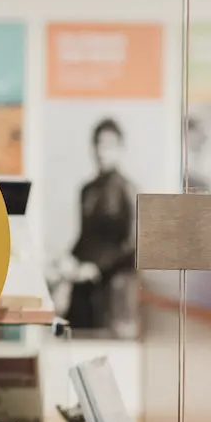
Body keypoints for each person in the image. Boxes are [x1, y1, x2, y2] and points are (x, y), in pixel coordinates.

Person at [65, 118, 137, 331]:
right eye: (97, 144)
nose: (101, 151)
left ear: (120, 149)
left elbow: (132, 244)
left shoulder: (128, 191)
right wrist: (68, 261)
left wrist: (97, 267)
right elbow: (85, 238)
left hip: (113, 286)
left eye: (108, 145)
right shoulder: (87, 190)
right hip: (85, 286)